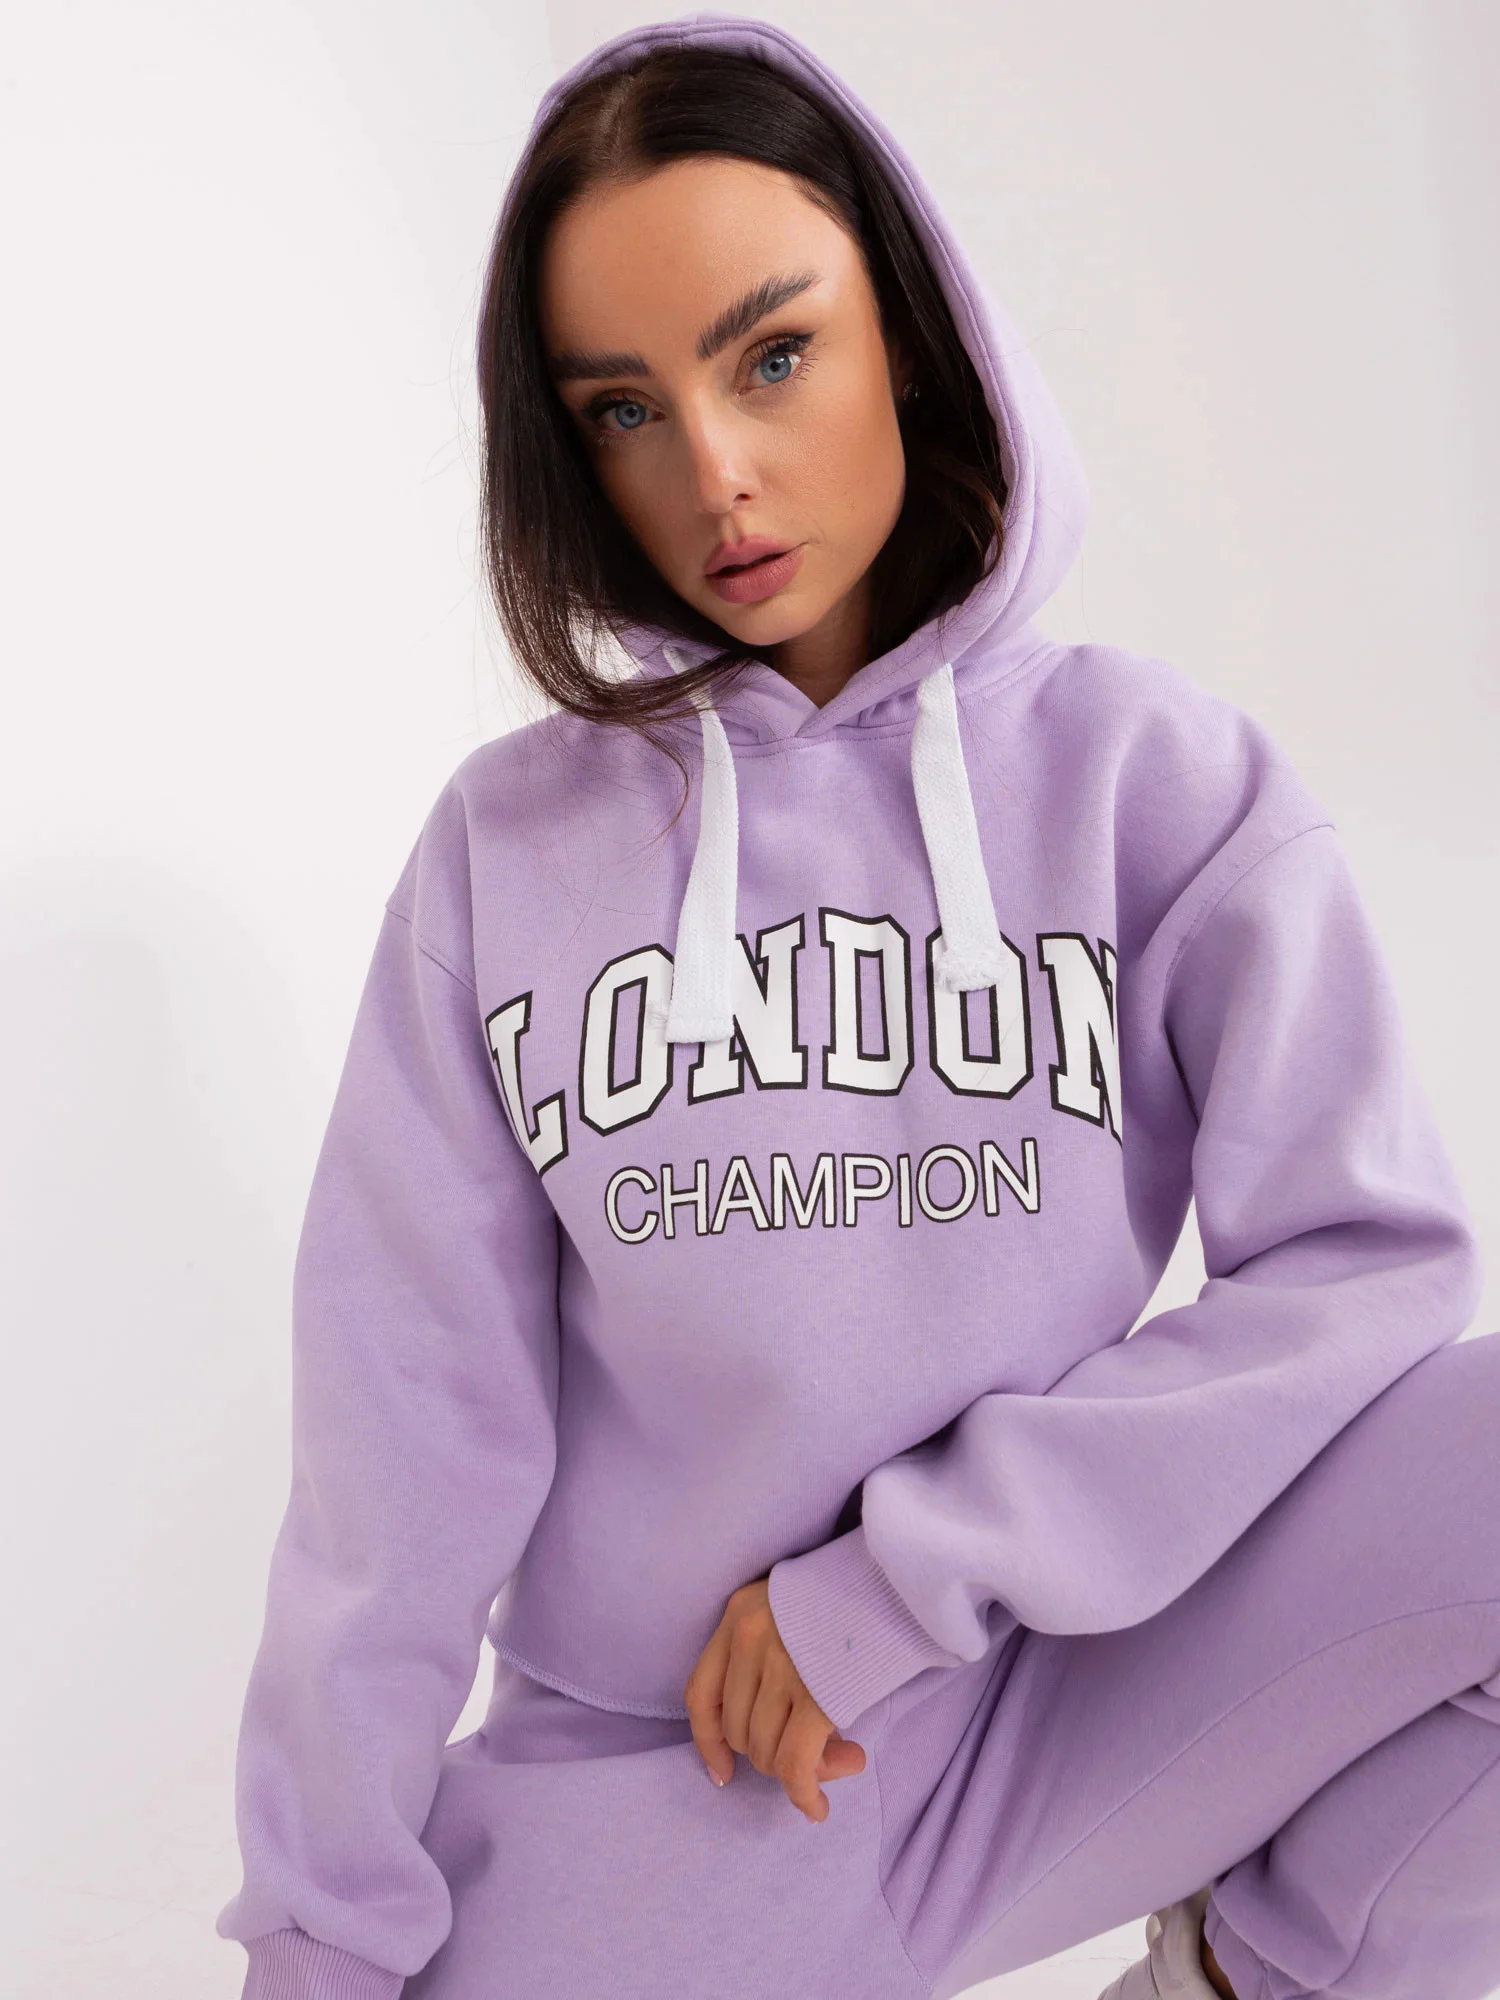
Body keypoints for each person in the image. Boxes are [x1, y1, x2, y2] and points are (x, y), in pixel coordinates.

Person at [215, 16, 1500, 2000]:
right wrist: (323, 1941)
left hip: (1062, 1694)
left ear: (908, 327)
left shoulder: (1158, 783)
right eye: (623, 409)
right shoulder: (507, 856)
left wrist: (911, 1575)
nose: (714, 472)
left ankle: (1248, 1975)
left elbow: (1362, 1266)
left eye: (773, 355)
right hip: (673, 1788)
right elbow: (399, 1449)